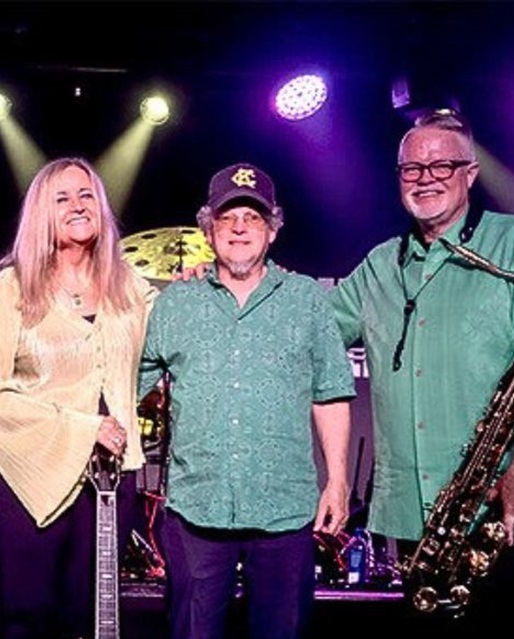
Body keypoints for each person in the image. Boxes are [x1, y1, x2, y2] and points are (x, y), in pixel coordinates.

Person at [330, 110, 514, 637]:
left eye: (442, 165)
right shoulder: (381, 264)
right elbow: (305, 329)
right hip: (413, 510)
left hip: (502, 500)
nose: (425, 178)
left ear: (471, 173)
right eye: (412, 168)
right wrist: (222, 279)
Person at [139, 162, 354, 639]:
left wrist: (338, 481)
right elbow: (131, 382)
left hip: (284, 511)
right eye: (227, 217)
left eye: (253, 217)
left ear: (272, 230)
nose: (239, 227)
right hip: (197, 512)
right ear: (208, 229)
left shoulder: (306, 300)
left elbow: (331, 393)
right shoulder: (176, 303)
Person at [0, 157, 157, 639]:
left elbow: (174, 337)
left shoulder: (130, 287)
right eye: (62, 198)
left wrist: (199, 281)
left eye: (87, 195)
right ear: (41, 212)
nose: (78, 206)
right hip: (27, 476)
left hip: (109, 479)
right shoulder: (12, 287)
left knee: (88, 617)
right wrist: (84, 427)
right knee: (27, 618)